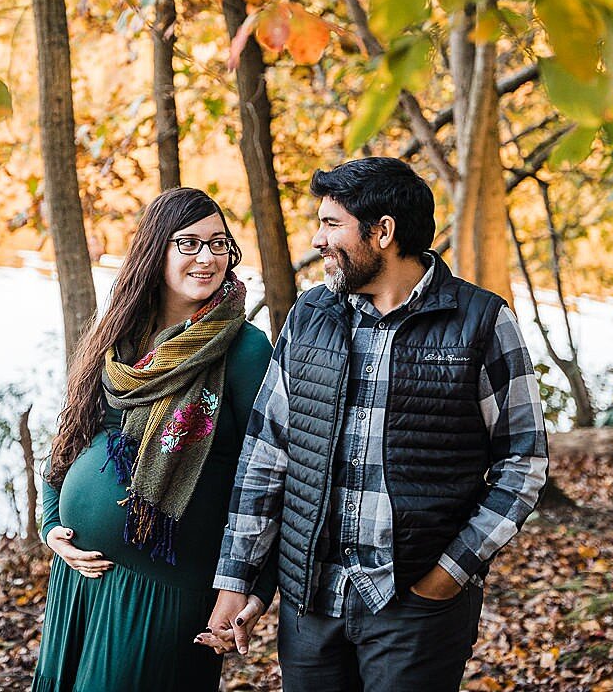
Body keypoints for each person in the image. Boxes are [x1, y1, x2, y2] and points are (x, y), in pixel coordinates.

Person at [204, 157, 549, 691]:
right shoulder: (309, 315)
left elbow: (523, 463)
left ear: (383, 231)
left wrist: (449, 575)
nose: (317, 240)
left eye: (331, 224)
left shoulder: (482, 321)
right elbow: (265, 457)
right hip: (310, 605)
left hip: (416, 610)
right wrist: (237, 579)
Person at [32, 188, 275, 692]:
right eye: (188, 244)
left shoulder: (245, 349)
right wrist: (53, 522)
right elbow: (73, 434)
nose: (207, 258)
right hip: (81, 578)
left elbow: (271, 476)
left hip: (165, 591)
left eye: (218, 243)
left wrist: (253, 588)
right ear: (155, 250)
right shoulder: (120, 334)